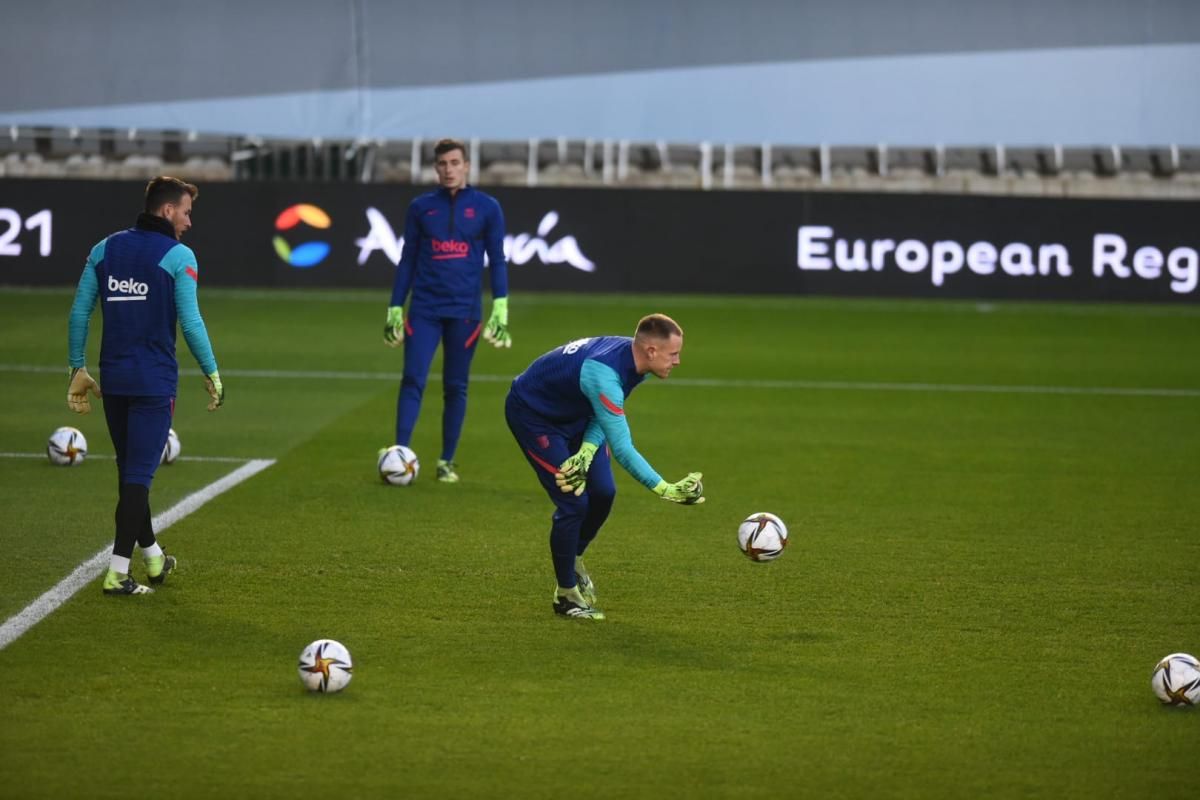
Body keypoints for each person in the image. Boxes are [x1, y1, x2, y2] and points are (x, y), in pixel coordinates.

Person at [66, 176, 224, 596]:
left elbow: (80, 312)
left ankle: (152, 557)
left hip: (114, 380)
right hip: (154, 382)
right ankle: (118, 572)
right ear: (168, 210)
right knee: (137, 476)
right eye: (187, 212)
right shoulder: (178, 255)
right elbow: (191, 321)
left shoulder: (104, 249)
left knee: (130, 472)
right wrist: (211, 371)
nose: (189, 222)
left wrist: (76, 367)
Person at [505, 313, 705, 620]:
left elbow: (603, 410)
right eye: (674, 354)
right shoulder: (605, 371)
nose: (677, 361)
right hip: (535, 417)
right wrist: (665, 489)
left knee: (603, 492)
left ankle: (573, 557)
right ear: (651, 351)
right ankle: (566, 595)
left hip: (577, 416)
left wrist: (586, 449)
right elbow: (623, 449)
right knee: (574, 501)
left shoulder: (635, 361)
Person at [383, 138, 510, 483]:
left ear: (466, 165)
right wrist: (396, 305)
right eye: (443, 164)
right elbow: (407, 259)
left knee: (456, 386)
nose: (449, 169)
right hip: (424, 308)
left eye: (455, 163)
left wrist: (501, 305)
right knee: (412, 379)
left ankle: (445, 461)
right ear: (436, 168)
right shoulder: (421, 207)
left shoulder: (487, 207)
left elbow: (497, 259)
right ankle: (399, 455)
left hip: (465, 312)